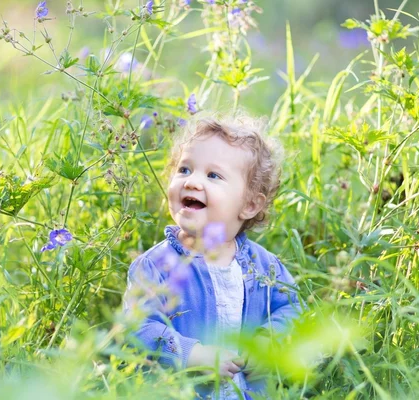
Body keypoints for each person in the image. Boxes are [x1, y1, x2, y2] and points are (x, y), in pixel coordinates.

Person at [122, 114, 302, 399]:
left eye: (213, 175)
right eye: (184, 169)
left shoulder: (264, 266)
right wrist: (191, 354)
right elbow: (137, 327)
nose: (192, 182)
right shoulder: (156, 267)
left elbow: (291, 310)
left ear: (250, 204)